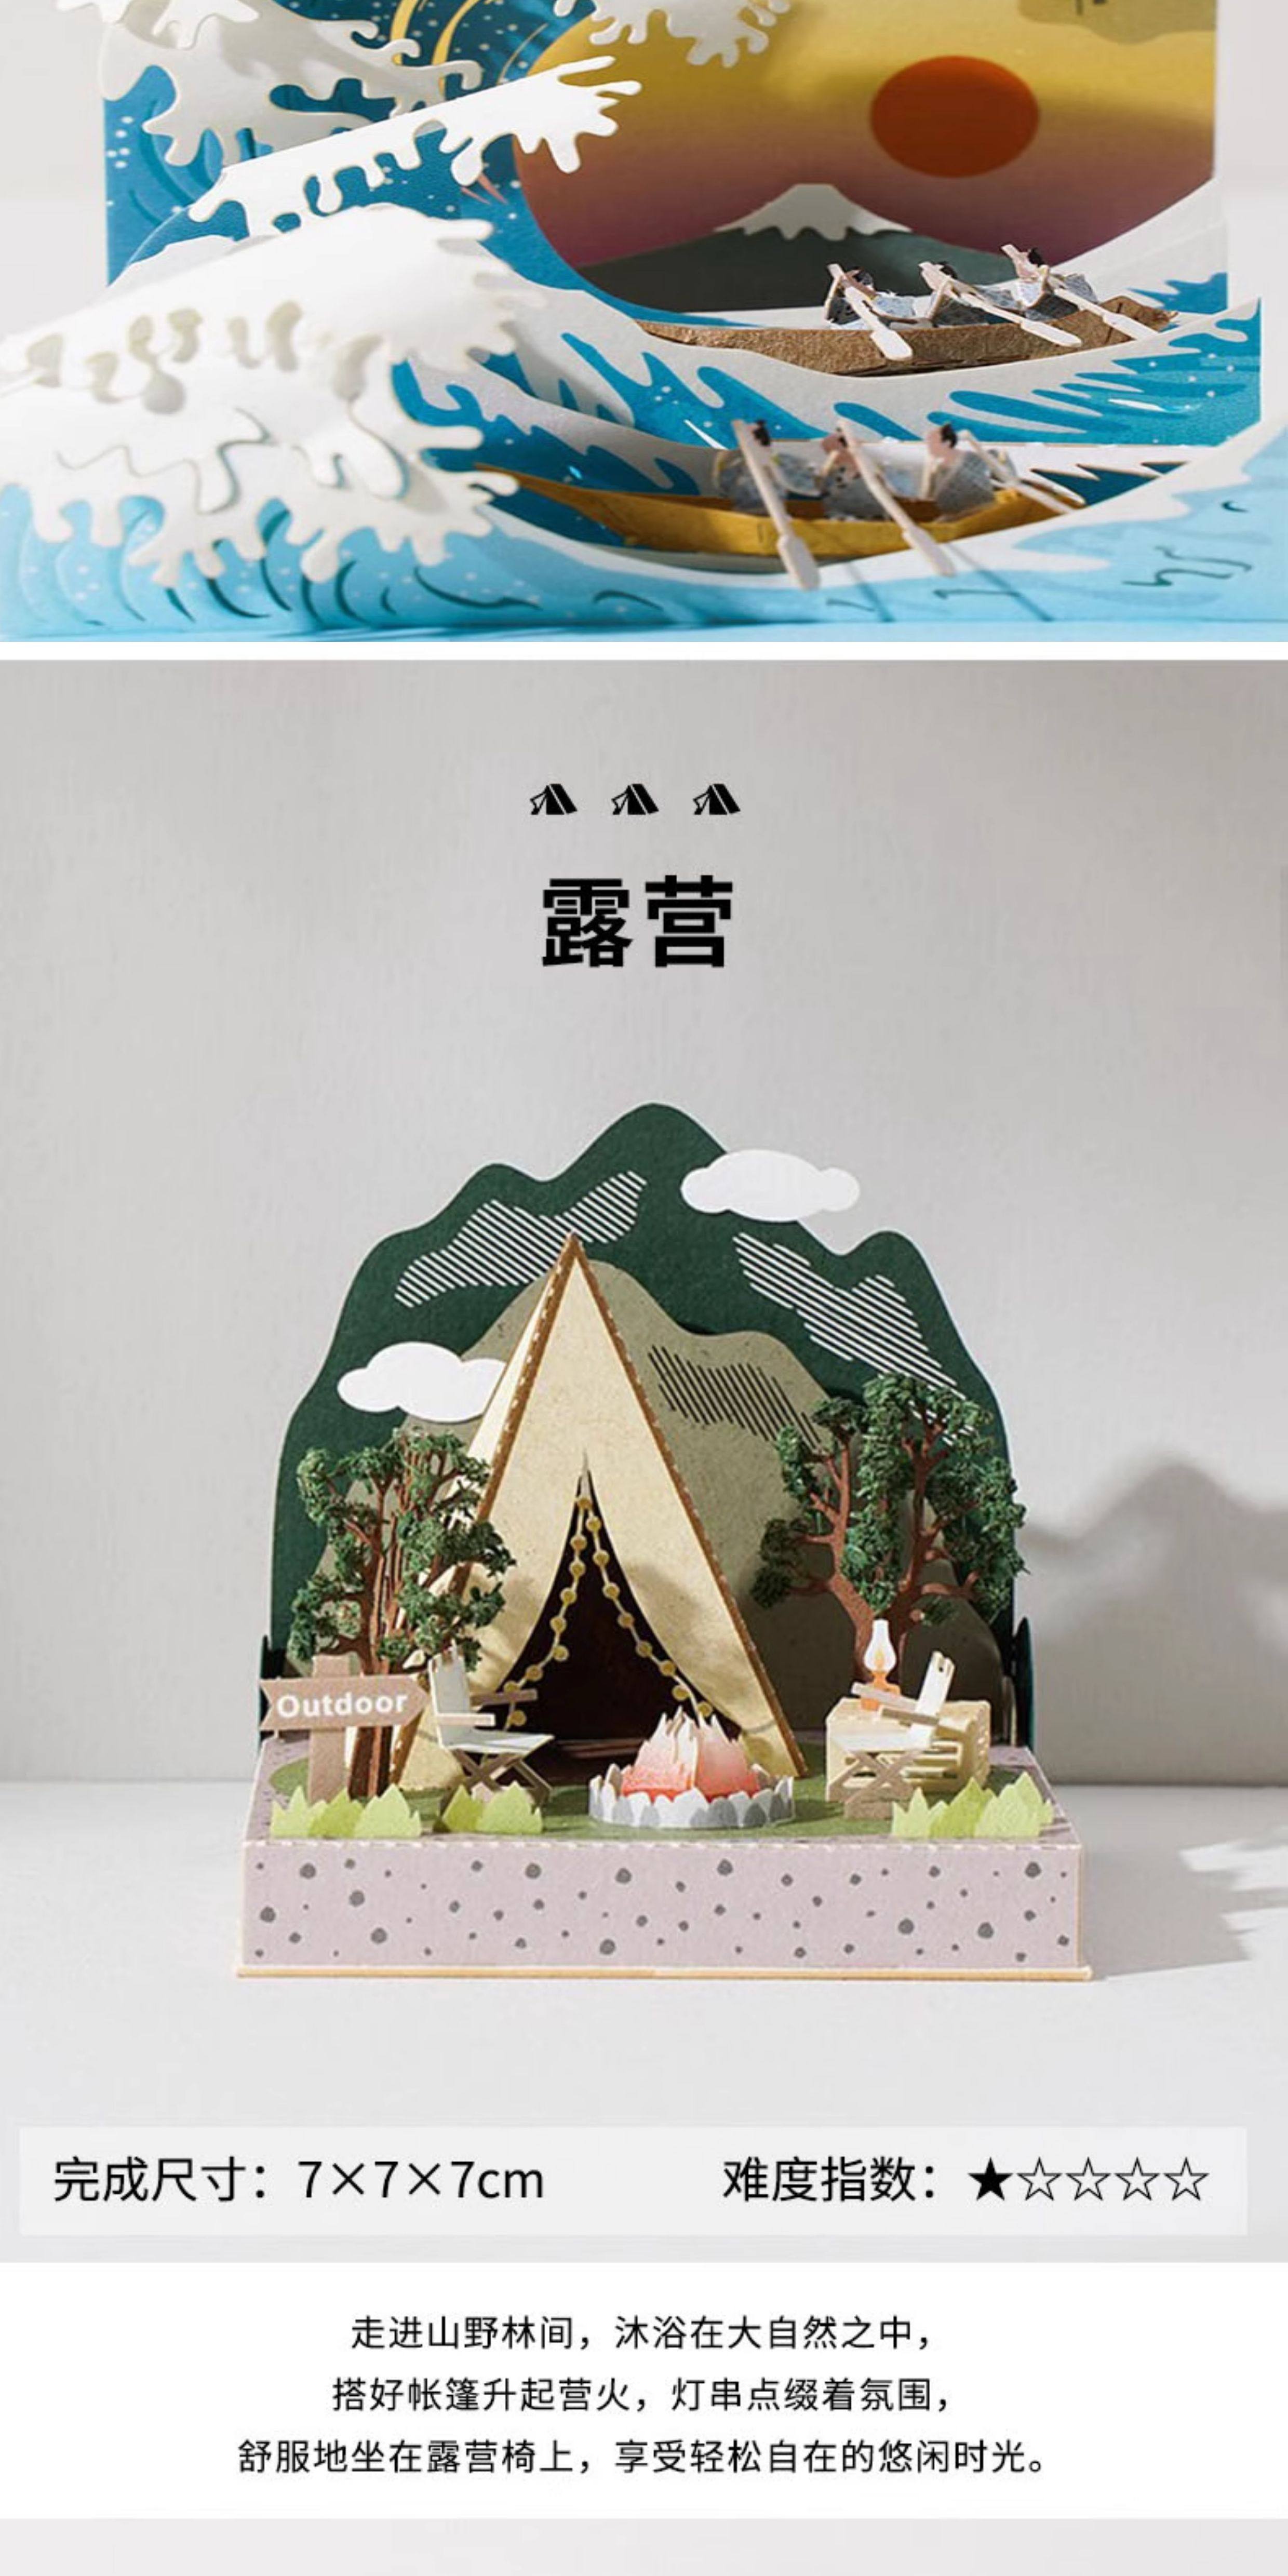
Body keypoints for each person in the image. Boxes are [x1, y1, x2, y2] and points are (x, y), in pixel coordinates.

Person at [713, 420, 827, 513]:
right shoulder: (734, 462)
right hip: (752, 509)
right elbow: (724, 486)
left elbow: (811, 483)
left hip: (786, 507)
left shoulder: (782, 460)